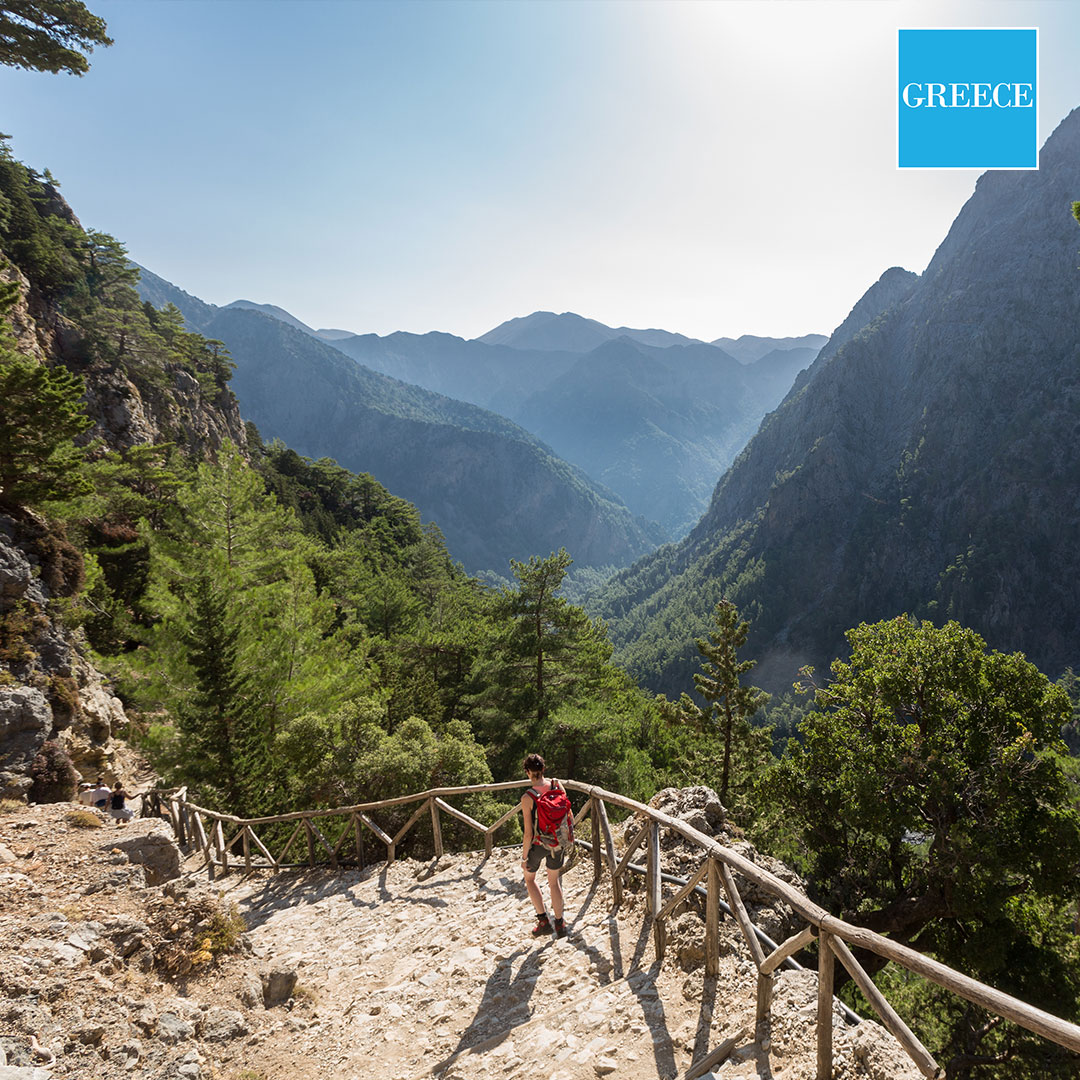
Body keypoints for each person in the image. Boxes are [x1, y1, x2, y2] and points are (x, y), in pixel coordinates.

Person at [520, 752, 572, 939]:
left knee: (529, 879)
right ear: (543, 769)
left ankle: (543, 921)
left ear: (527, 772)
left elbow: (528, 833)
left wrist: (525, 857)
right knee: (554, 882)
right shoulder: (558, 785)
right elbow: (569, 815)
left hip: (539, 844)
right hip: (558, 842)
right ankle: (560, 924)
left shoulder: (528, 797)